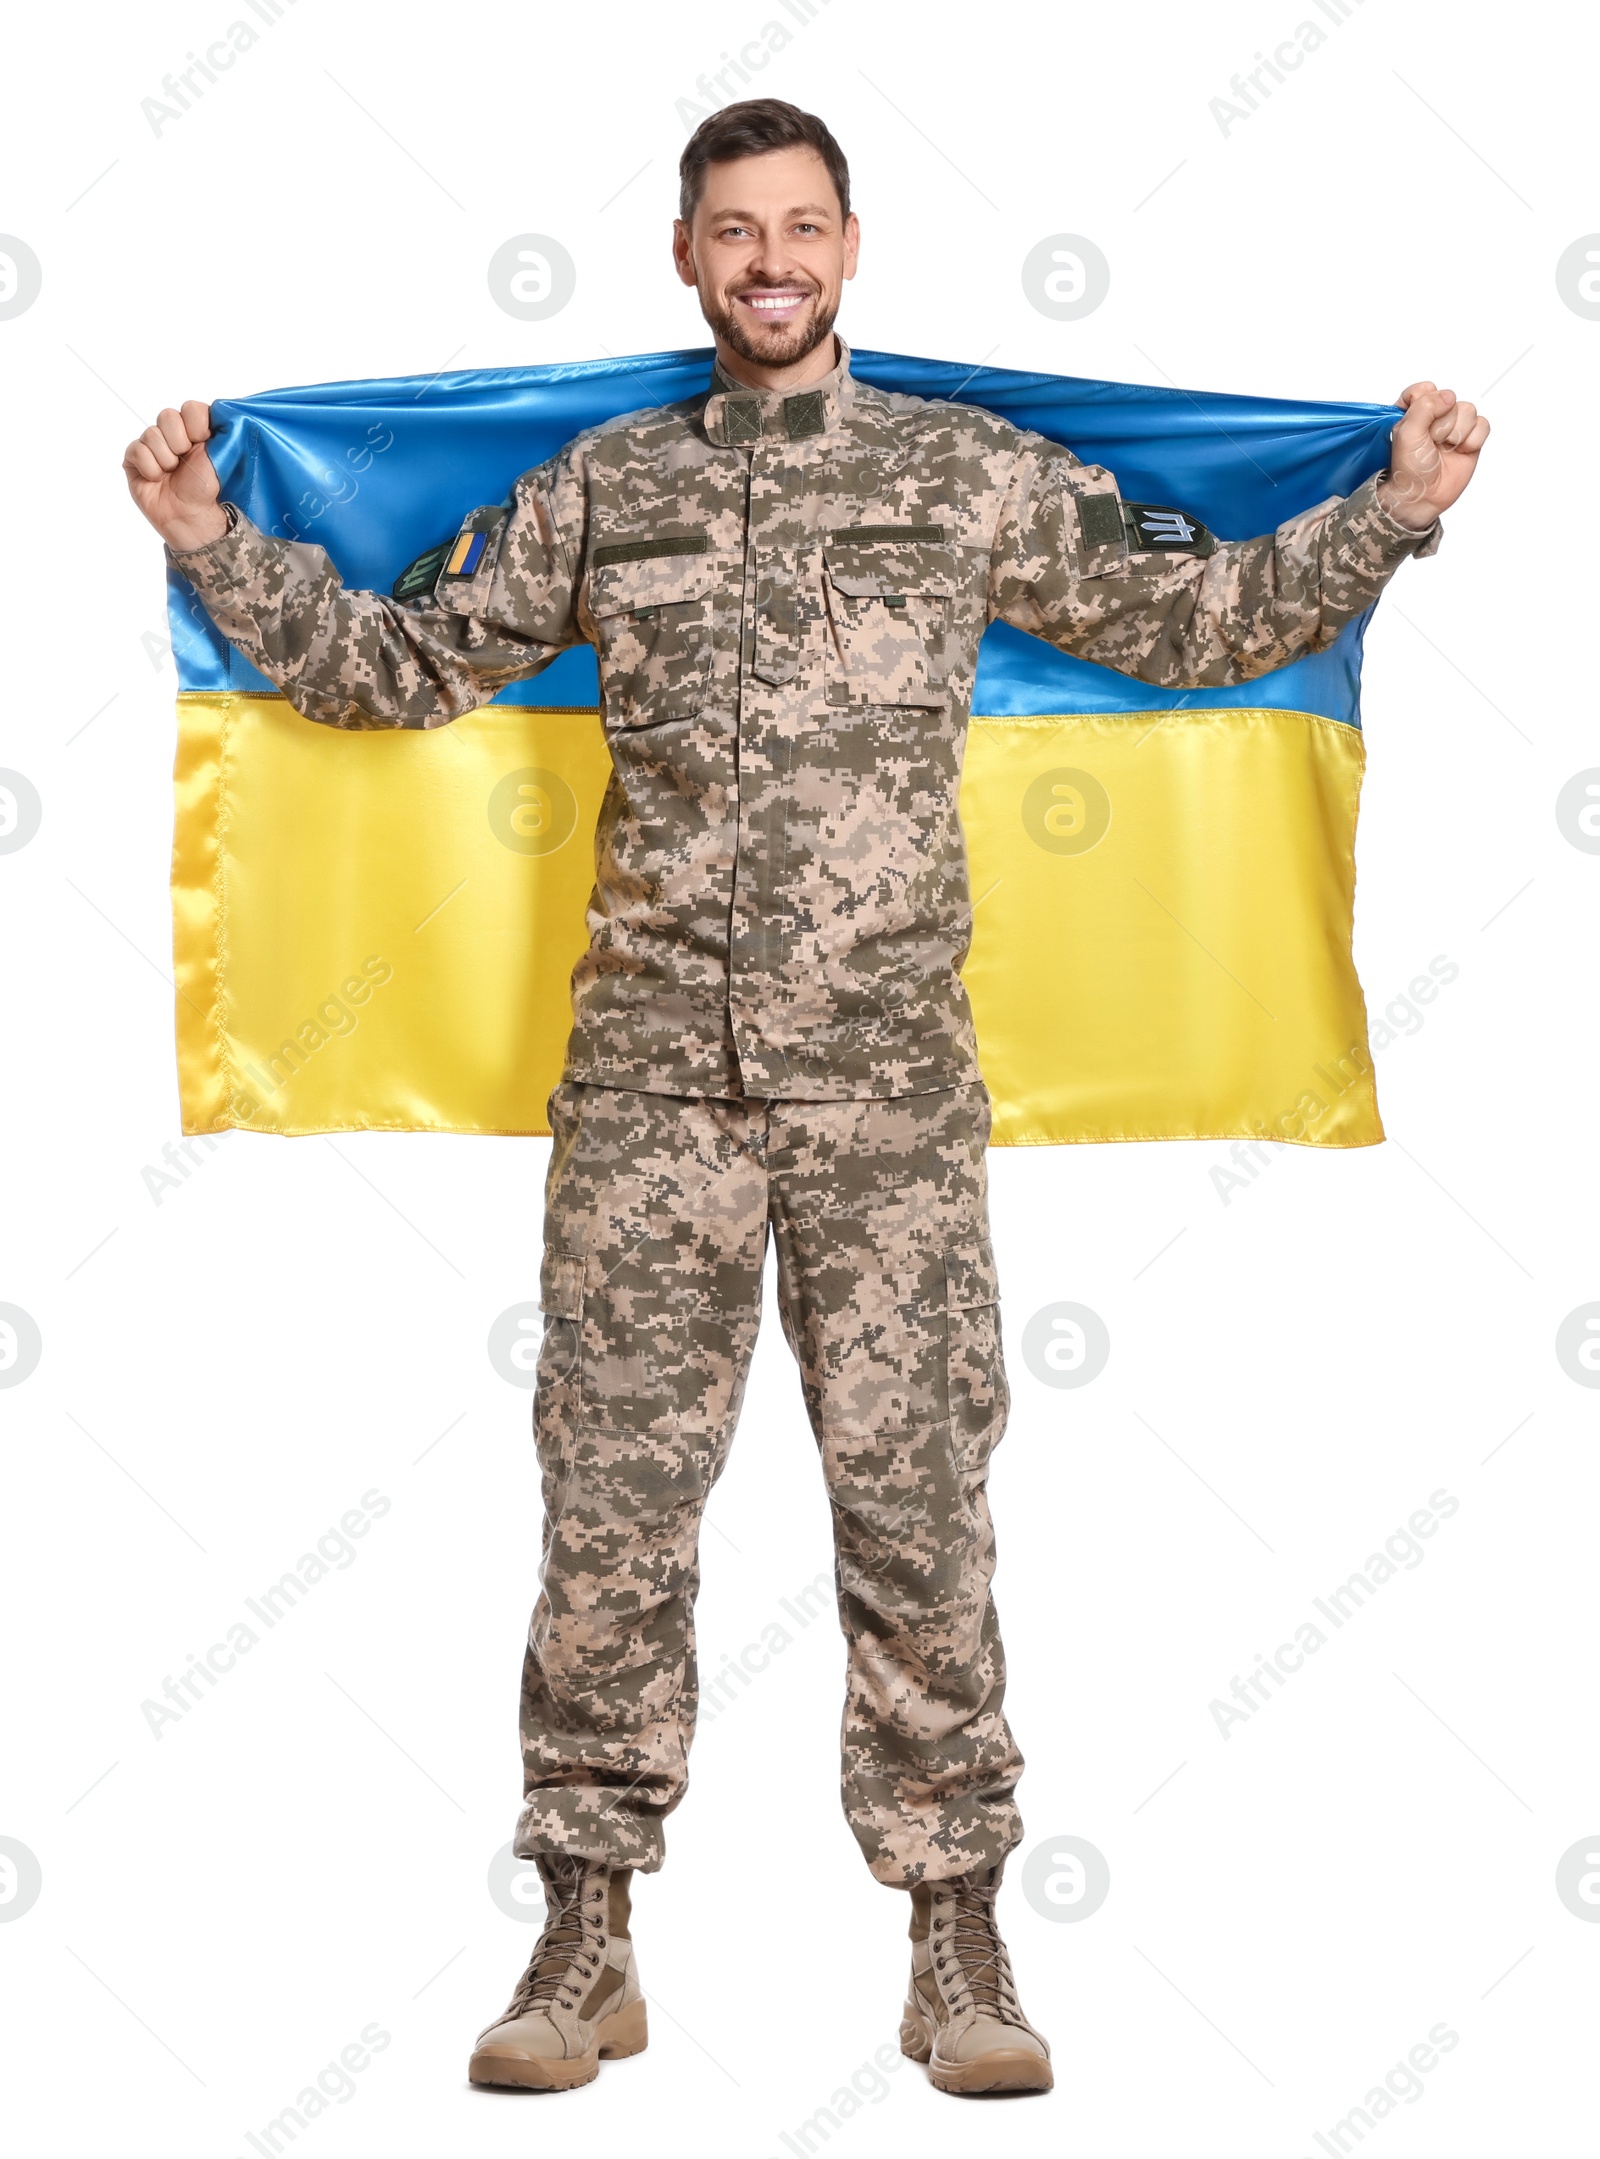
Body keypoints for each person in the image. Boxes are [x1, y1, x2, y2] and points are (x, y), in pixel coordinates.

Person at [124, 97, 1488, 2100]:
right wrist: (210, 543)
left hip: (886, 1105)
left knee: (918, 1515)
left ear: (849, 250)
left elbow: (1190, 629)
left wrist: (1387, 505)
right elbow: (400, 666)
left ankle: (953, 1937)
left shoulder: (961, 478)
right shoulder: (604, 485)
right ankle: (583, 1933)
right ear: (685, 258)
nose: (767, 263)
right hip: (650, 1097)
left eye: (800, 229)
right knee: (608, 1517)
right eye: (731, 233)